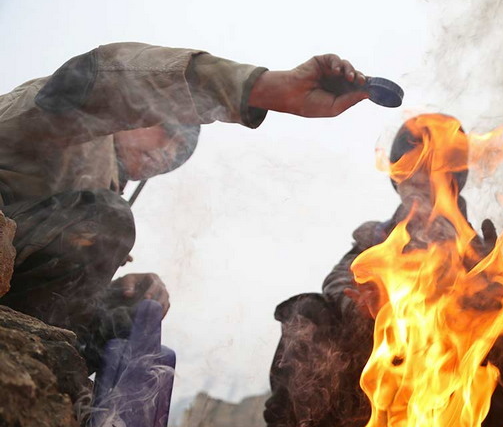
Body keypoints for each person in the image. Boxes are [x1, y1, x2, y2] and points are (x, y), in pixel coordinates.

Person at [248, 114, 503, 427]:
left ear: (455, 179)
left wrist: (497, 288)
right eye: (412, 168)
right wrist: (358, 299)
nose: (422, 179)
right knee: (307, 312)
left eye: (435, 168)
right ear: (396, 176)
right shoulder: (374, 240)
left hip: (441, 399)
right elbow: (340, 279)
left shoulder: (482, 247)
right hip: (368, 394)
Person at [0, 42, 369, 369]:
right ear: (139, 116)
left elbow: (55, 266)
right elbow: (101, 77)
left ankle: (55, 387)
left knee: (134, 311)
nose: (166, 155)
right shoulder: (74, 123)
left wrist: (125, 290)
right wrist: (263, 89)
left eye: (179, 155)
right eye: (168, 134)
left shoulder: (100, 188)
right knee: (107, 217)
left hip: (18, 288)